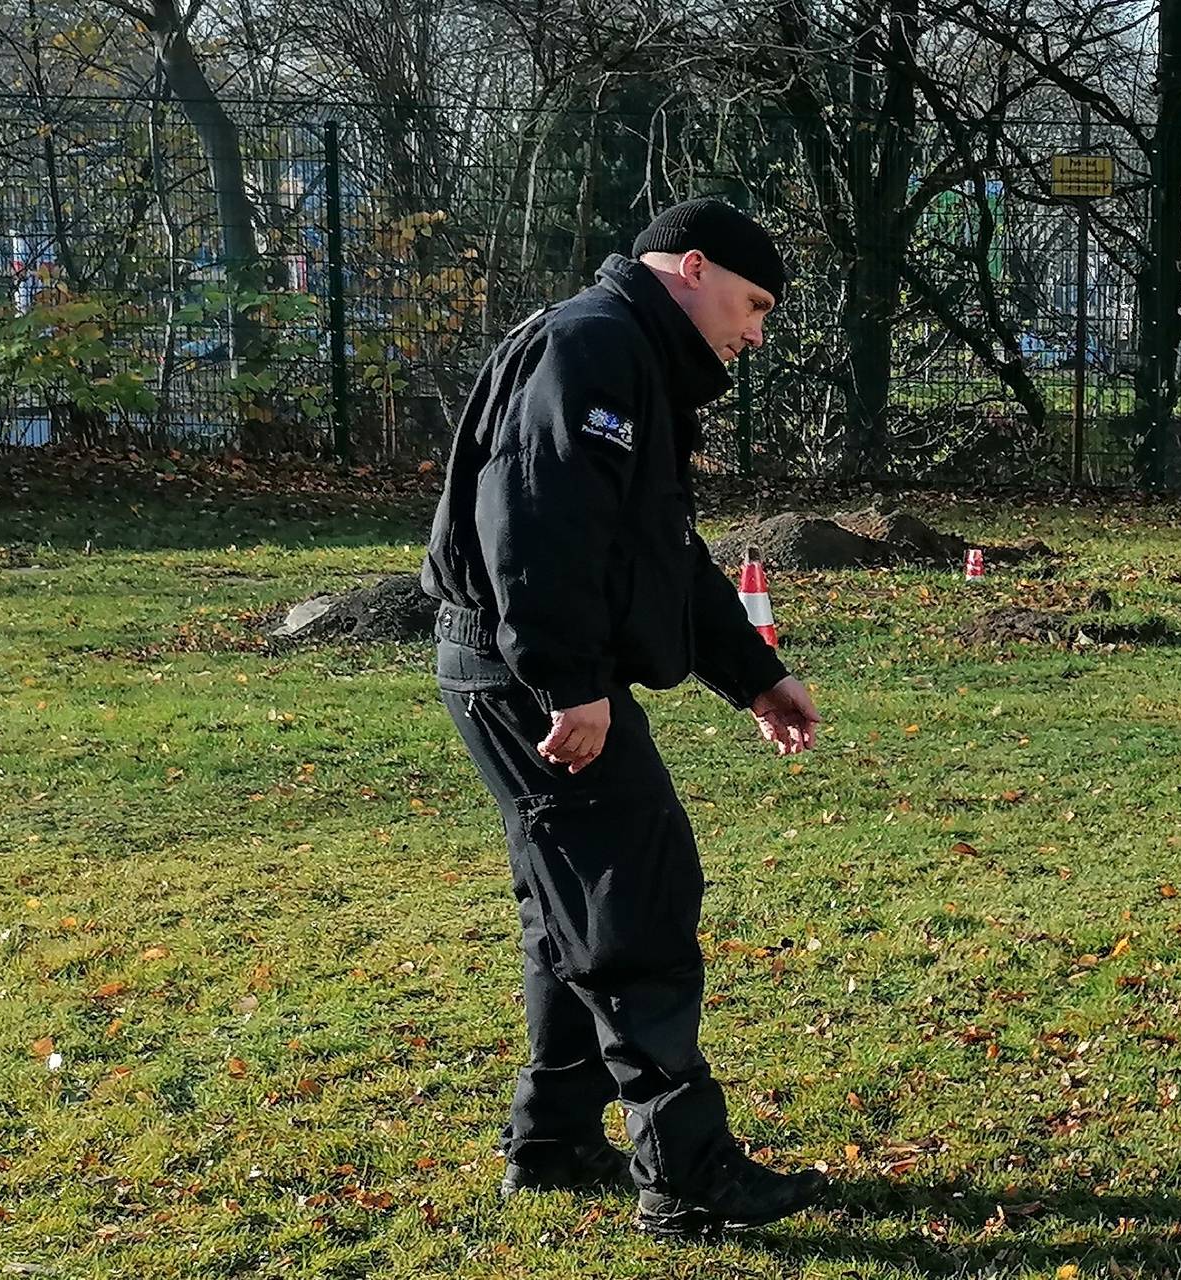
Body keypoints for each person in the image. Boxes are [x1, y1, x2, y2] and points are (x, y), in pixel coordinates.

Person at [419, 198, 829, 1236]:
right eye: (753, 304)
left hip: (519, 665)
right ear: (691, 268)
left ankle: (554, 1139)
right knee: (636, 892)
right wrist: (567, 681)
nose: (755, 332)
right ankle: (686, 1171)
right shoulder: (594, 349)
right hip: (530, 673)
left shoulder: (624, 355)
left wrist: (756, 674)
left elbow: (660, 549)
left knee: (571, 905)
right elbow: (532, 518)